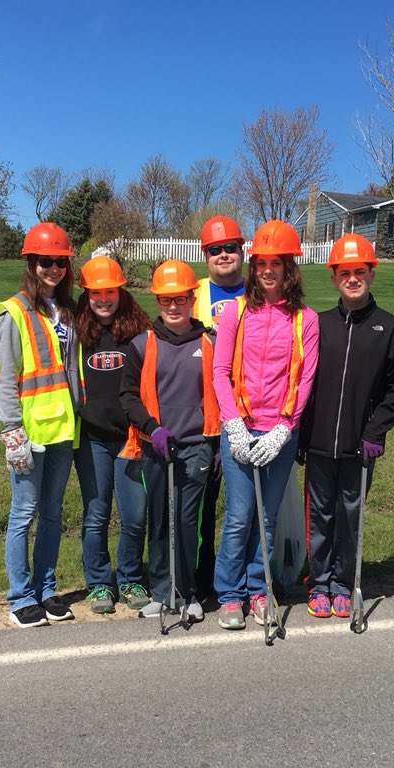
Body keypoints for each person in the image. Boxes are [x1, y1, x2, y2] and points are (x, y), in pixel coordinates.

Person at [298, 234, 394, 619]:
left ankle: (343, 584)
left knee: (350, 515)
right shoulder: (319, 324)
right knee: (320, 516)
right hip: (317, 444)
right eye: (344, 272)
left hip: (359, 445)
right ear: (334, 277)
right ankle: (318, 582)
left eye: (359, 272)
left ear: (371, 274)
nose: (352, 279)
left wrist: (375, 431)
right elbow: (303, 382)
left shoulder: (389, 328)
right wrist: (299, 433)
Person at [212, 220, 320, 630]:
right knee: (240, 515)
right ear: (253, 267)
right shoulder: (236, 312)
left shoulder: (304, 320)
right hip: (239, 427)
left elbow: (305, 377)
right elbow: (221, 371)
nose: (268, 271)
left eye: (277, 263)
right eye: (261, 263)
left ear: (290, 267)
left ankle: (260, 589)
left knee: (268, 518)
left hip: (280, 433)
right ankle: (229, 595)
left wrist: (285, 428)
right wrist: (234, 423)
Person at [120, 260, 219, 621]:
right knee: (161, 520)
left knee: (187, 522)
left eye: (180, 299)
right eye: (165, 300)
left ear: (192, 298)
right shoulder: (141, 345)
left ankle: (189, 591)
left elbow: (224, 393)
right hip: (156, 445)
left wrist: (218, 443)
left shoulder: (210, 341)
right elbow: (128, 396)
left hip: (196, 446)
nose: (173, 307)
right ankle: (163, 592)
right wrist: (152, 428)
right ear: (156, 302)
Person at [0, 222, 80, 628]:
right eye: (46, 262)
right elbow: (6, 377)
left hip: (64, 430)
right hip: (29, 433)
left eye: (60, 262)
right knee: (23, 513)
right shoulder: (13, 313)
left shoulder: (68, 310)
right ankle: (20, 596)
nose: (54, 269)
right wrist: (12, 432)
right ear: (31, 263)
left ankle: (46, 589)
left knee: (52, 513)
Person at [73, 255, 153, 614]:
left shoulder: (139, 331)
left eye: (110, 291)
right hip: (92, 439)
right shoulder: (75, 332)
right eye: (95, 292)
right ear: (86, 294)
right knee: (96, 515)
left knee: (135, 515)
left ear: (121, 291)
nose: (103, 299)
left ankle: (131, 576)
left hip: (130, 439)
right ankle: (100, 584)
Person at [192, 215, 246, 600]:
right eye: (215, 249)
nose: (224, 255)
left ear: (242, 251)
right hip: (204, 417)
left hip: (251, 414)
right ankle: (202, 575)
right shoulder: (191, 294)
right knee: (203, 504)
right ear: (204, 254)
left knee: (246, 506)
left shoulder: (261, 291)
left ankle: (247, 577)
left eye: (230, 247)